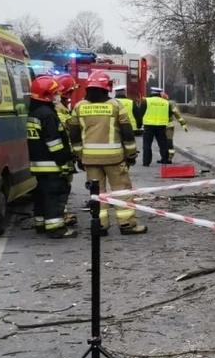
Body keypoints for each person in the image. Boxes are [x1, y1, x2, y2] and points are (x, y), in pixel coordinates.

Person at [67, 71, 146, 235]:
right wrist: (131, 155)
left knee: (97, 193)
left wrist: (78, 156)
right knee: (121, 190)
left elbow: (74, 134)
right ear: (107, 88)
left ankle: (100, 226)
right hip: (115, 159)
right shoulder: (115, 106)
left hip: (90, 159)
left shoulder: (79, 107)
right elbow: (127, 132)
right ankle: (127, 224)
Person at [27, 76, 77, 238]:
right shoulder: (48, 115)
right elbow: (54, 143)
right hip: (52, 163)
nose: (58, 96)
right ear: (47, 95)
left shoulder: (34, 113)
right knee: (54, 195)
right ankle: (55, 228)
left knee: (41, 194)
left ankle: (41, 223)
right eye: (56, 93)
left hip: (38, 163)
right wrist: (63, 162)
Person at [54, 74, 79, 227]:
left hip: (61, 153)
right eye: (70, 92)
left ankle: (59, 213)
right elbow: (66, 130)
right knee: (62, 186)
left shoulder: (60, 107)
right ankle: (60, 214)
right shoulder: (59, 109)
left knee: (62, 185)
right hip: (61, 154)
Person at [141, 87, 174, 166]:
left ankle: (146, 162)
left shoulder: (146, 101)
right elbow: (170, 114)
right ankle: (165, 159)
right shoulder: (166, 102)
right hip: (161, 126)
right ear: (160, 93)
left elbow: (141, 112)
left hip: (148, 125)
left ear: (151, 92)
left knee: (147, 145)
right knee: (163, 144)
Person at [159, 91, 187, 160]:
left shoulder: (170, 105)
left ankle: (170, 156)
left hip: (168, 127)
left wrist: (183, 124)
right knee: (163, 143)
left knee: (169, 142)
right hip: (161, 127)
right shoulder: (159, 105)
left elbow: (177, 115)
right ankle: (164, 157)